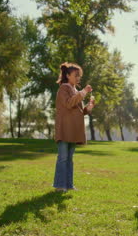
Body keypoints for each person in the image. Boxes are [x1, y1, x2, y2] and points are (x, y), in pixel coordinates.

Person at [53, 62, 95, 192]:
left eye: (79, 76)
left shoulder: (75, 90)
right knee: (63, 158)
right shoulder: (64, 88)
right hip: (65, 129)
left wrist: (89, 107)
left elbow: (79, 110)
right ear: (67, 75)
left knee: (69, 159)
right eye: (76, 75)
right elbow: (69, 103)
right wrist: (83, 92)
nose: (78, 78)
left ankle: (69, 185)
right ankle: (60, 185)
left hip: (73, 130)